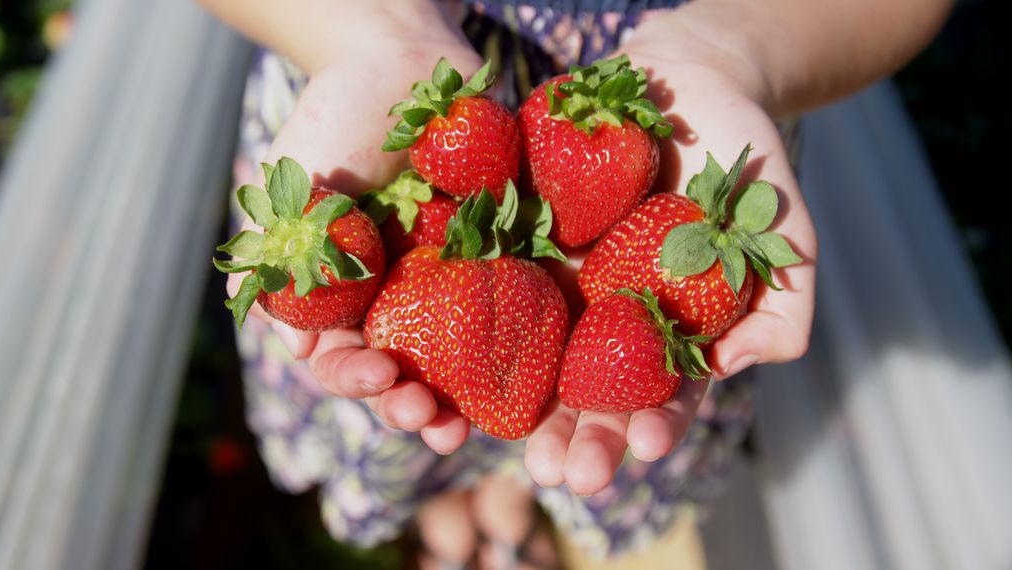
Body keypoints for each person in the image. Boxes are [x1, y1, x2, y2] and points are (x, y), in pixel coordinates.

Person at [197, 0, 951, 567]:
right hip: (394, 126)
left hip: (685, 137)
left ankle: (504, 500)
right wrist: (374, 35)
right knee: (418, 399)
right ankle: (458, 508)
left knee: (539, 409)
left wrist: (726, 53)